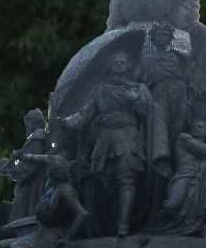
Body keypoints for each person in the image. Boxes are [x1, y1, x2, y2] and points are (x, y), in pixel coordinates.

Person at [61, 51, 163, 236]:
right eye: (115, 61)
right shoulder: (100, 89)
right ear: (110, 65)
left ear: (128, 66)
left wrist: (137, 101)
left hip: (128, 136)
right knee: (103, 181)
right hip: (104, 138)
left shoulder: (139, 89)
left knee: (127, 179)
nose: (118, 64)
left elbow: (150, 115)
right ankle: (104, 225)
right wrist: (68, 122)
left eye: (122, 61)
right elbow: (85, 113)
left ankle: (123, 225)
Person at [148, 119, 206, 236]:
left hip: (202, 185)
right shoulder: (183, 138)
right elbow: (203, 150)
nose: (196, 128)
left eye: (201, 127)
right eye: (195, 126)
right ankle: (149, 228)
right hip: (184, 177)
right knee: (171, 205)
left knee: (200, 216)